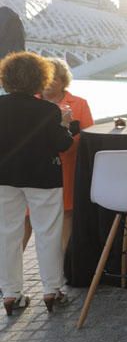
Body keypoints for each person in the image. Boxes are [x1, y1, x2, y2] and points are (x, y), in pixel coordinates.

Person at [0, 52, 73, 315]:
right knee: (47, 232)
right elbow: (62, 144)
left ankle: (11, 294)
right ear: (39, 78)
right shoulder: (48, 110)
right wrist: (65, 124)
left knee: (7, 234)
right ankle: (52, 290)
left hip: (4, 178)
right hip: (42, 177)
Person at [26, 57, 93, 253]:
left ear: (63, 81)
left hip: (68, 168)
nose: (49, 82)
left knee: (66, 215)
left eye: (55, 77)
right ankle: (7, 275)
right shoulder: (30, 104)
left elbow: (88, 135)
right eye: (46, 77)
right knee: (26, 218)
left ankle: (66, 266)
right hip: (34, 171)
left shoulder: (79, 104)